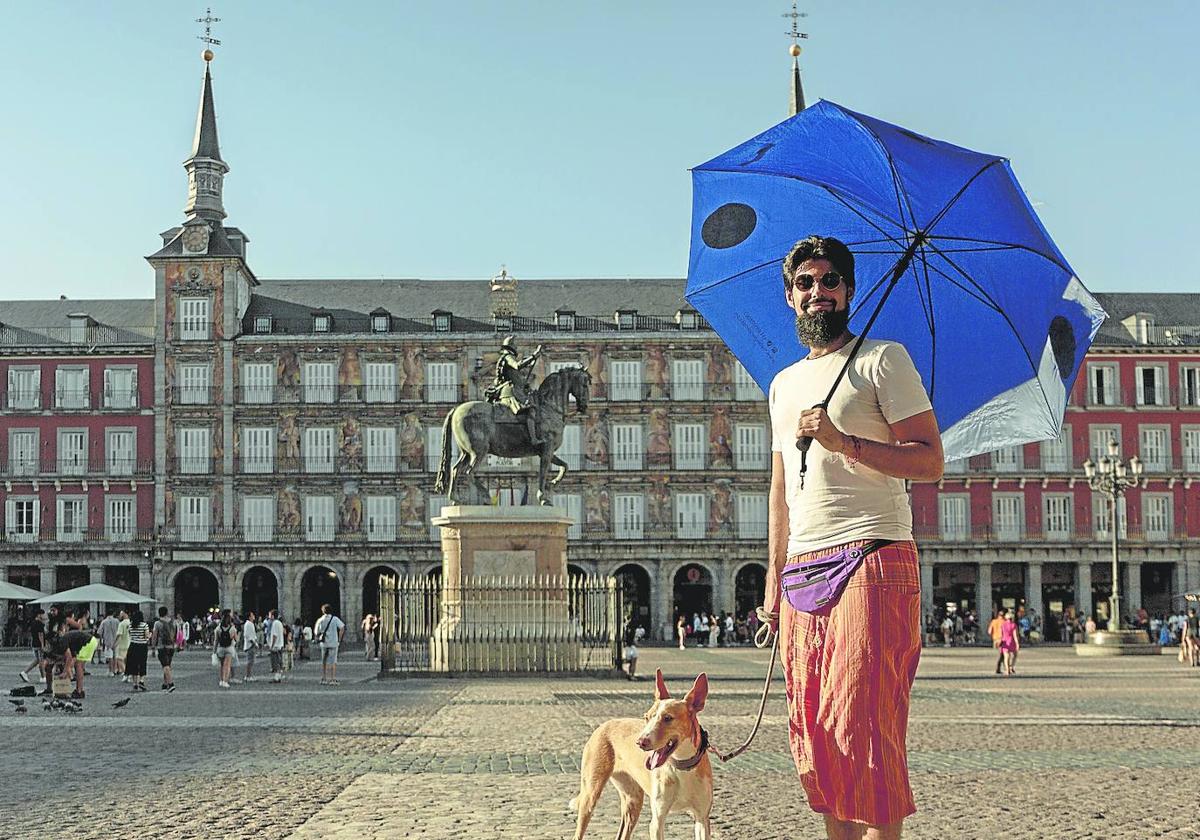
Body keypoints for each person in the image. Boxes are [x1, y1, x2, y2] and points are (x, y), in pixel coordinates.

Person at [763, 235, 943, 838]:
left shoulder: (883, 360)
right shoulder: (783, 384)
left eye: (831, 280)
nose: (820, 292)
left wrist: (846, 443)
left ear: (850, 290)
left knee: (864, 726)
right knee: (816, 731)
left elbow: (929, 460)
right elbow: (781, 486)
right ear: (789, 296)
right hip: (803, 569)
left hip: (872, 553)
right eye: (807, 283)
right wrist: (772, 577)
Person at [486, 336, 544, 444]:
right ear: (511, 346)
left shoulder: (504, 358)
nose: (516, 347)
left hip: (508, 389)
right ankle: (533, 439)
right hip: (510, 392)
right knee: (531, 410)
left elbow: (515, 376)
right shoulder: (508, 357)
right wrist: (533, 356)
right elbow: (517, 365)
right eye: (515, 345)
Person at [313, 604, 345, 686]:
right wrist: (339, 639)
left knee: (324, 661)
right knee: (333, 662)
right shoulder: (335, 619)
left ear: (323, 611)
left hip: (324, 643)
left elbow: (316, 632)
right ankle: (333, 679)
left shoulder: (320, 620)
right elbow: (342, 627)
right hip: (333, 642)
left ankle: (324, 678)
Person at [150, 606, 177, 692]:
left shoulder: (157, 623)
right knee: (167, 665)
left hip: (162, 647)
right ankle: (165, 684)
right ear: (167, 613)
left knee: (165, 666)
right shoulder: (173, 622)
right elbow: (176, 634)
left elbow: (154, 636)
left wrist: (153, 647)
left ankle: (171, 683)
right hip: (171, 646)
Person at [18, 607, 47, 684]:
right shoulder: (40, 624)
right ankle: (43, 677)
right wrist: (42, 645)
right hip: (39, 644)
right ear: (39, 615)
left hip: (34, 643)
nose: (44, 616)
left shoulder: (33, 622)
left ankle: (25, 672)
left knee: (37, 660)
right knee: (41, 661)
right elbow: (40, 635)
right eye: (43, 614)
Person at [124, 610, 151, 693]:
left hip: (133, 646)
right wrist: (150, 635)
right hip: (142, 646)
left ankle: (135, 684)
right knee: (142, 663)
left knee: (133, 664)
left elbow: (130, 634)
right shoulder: (144, 625)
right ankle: (141, 681)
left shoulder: (130, 625)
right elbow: (146, 636)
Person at [213, 610, 238, 689]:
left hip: (220, 648)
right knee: (227, 666)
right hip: (229, 648)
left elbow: (216, 640)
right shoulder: (232, 628)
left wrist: (214, 651)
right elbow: (236, 639)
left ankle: (221, 680)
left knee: (222, 665)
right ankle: (225, 681)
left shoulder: (218, 628)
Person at [265, 609, 286, 683]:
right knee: (279, 661)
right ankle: (279, 676)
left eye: (270, 615)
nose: (269, 616)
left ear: (273, 616)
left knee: (275, 662)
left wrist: (271, 645)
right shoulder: (280, 623)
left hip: (276, 645)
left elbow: (274, 635)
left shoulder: (274, 623)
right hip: (280, 644)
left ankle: (276, 677)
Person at [98, 610, 119, 676]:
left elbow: (99, 632)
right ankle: (115, 669)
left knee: (110, 657)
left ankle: (111, 671)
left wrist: (102, 640)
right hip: (116, 641)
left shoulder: (104, 622)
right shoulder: (117, 621)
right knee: (115, 656)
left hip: (107, 641)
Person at [998, 611, 1020, 675]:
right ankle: (1011, 666)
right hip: (1011, 641)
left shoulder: (1003, 625)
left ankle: (1007, 670)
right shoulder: (1013, 625)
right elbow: (1015, 635)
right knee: (1015, 655)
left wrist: (999, 642)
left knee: (1006, 657)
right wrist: (1017, 643)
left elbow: (1001, 634)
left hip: (1004, 641)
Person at [241, 611, 259, 683]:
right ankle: (248, 676)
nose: (254, 616)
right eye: (252, 615)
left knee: (251, 661)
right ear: (249, 617)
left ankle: (249, 675)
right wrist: (255, 644)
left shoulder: (249, 624)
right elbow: (249, 636)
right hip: (250, 645)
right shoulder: (249, 624)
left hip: (250, 644)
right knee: (250, 661)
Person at [114, 609, 131, 681]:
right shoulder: (131, 622)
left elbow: (119, 635)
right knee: (127, 660)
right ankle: (128, 673)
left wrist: (114, 643)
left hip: (122, 644)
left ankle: (126, 673)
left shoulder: (122, 624)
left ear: (124, 614)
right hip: (130, 643)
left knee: (119, 659)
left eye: (121, 613)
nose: (120, 615)